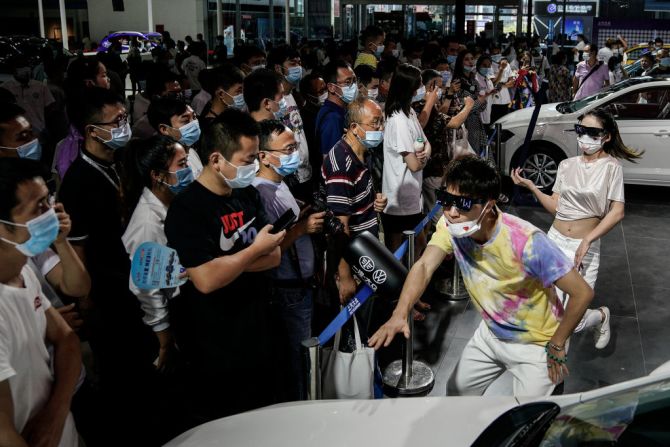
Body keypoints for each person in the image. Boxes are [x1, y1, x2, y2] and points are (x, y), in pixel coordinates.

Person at [370, 156, 595, 396]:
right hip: (489, 334)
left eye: (463, 204)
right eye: (446, 200)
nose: (452, 212)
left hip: (536, 344)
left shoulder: (527, 241)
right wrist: (400, 312)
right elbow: (424, 265)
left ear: (488, 205)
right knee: (457, 392)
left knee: (529, 417)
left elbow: (582, 292)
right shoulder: (449, 227)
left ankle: (597, 319)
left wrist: (557, 343)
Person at [164, 108, 285, 424]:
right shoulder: (187, 209)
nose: (255, 167)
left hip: (258, 329)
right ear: (216, 160)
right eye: (247, 160)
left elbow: (274, 256)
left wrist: (223, 266)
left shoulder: (247, 195)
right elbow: (205, 282)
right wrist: (251, 252)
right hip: (216, 344)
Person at [58, 88, 164, 445]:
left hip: (134, 279)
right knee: (122, 373)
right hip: (107, 292)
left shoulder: (119, 162)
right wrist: (87, 304)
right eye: (115, 122)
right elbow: (79, 247)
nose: (124, 126)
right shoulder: (78, 182)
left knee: (144, 366)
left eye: (124, 118)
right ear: (91, 130)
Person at [512, 109, 643, 350]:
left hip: (584, 247)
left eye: (592, 132)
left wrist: (588, 240)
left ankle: (601, 316)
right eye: (581, 130)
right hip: (554, 240)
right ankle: (550, 372)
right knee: (545, 312)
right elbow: (556, 206)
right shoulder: (566, 165)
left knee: (572, 318)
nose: (584, 137)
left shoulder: (611, 167)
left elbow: (617, 212)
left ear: (606, 136)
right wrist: (532, 187)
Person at [0, 157, 81, 446]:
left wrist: (56, 415)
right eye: (38, 208)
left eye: (48, 201)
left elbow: (68, 341)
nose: (51, 214)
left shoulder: (22, 270)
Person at [253, 120, 325, 401]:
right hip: (288, 288)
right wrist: (301, 229)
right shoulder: (261, 193)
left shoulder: (280, 184)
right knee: (299, 358)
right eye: (288, 149)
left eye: (296, 147)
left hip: (303, 283)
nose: (296, 154)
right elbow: (266, 250)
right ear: (263, 156)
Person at [122, 136, 193, 372]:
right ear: (158, 175)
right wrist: (164, 338)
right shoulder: (147, 225)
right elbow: (147, 289)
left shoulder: (174, 203)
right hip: (172, 312)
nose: (189, 170)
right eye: (181, 165)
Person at [322, 96, 387, 310]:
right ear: (354, 127)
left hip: (366, 245)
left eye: (381, 121)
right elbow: (340, 228)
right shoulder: (342, 162)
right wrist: (345, 274)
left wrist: (373, 202)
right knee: (354, 315)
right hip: (353, 253)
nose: (380, 127)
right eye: (375, 122)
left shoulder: (363, 152)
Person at [382, 63, 432, 255]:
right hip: (398, 200)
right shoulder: (398, 120)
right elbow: (413, 164)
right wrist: (423, 159)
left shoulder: (409, 112)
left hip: (412, 196)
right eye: (420, 85)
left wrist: (424, 155)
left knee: (418, 244)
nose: (423, 90)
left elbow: (426, 143)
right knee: (396, 251)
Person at [267, 46, 313, 201]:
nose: (298, 68)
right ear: (278, 68)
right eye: (292, 64)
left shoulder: (295, 96)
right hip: (289, 176)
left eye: (299, 63)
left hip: (305, 172)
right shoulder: (274, 102)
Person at [147, 95, 204, 178]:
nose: (194, 123)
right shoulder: (164, 164)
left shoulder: (191, 151)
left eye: (194, 117)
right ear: (164, 129)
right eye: (186, 120)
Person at [2, 55, 55, 140]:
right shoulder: (5, 88)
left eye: (26, 66)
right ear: (13, 69)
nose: (25, 69)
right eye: (21, 66)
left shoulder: (40, 86)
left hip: (39, 132)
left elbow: (50, 107)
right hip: (16, 135)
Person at [316, 60, 357, 157]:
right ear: (331, 87)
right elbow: (330, 160)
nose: (353, 86)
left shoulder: (339, 111)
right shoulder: (332, 118)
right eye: (348, 82)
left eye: (354, 81)